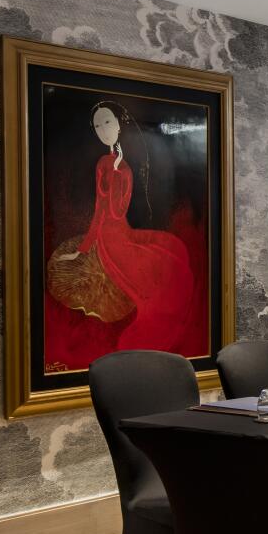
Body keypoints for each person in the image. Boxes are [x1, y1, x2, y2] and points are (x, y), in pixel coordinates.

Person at [48, 101, 195, 352]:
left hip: (119, 232)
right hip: (108, 238)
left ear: (118, 124)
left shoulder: (121, 166)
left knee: (169, 252)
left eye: (107, 122)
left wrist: (119, 174)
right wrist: (84, 248)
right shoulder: (103, 163)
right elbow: (101, 211)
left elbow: (118, 210)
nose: (103, 129)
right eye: (97, 125)